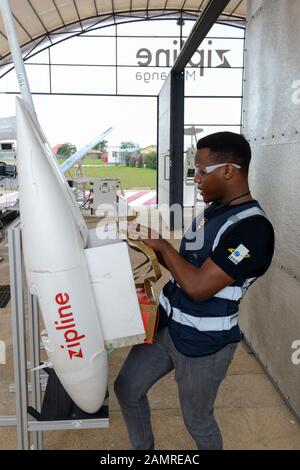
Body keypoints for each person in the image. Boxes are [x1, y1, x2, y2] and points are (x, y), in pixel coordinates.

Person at [114, 132, 275, 450]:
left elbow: (200, 287)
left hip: (206, 344)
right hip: (169, 327)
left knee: (197, 420)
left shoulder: (252, 230)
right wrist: (152, 246)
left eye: (202, 171)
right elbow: (189, 265)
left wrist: (163, 245)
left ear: (229, 171)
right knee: (127, 388)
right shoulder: (213, 212)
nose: (196, 179)